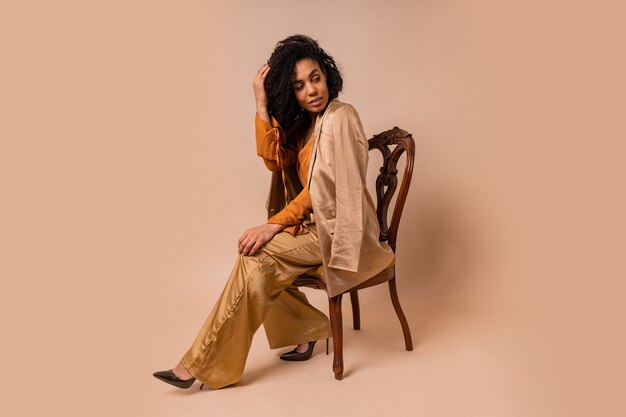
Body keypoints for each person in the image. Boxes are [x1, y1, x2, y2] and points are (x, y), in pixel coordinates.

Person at [153, 34, 395, 390]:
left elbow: (323, 191)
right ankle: (307, 330)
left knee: (258, 255)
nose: (311, 90)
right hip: (313, 231)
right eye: (299, 85)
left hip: (343, 231)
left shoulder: (341, 117)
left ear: (327, 76)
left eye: (315, 78)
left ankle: (197, 364)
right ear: (291, 92)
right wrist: (261, 104)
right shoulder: (307, 125)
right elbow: (274, 162)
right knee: (256, 257)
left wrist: (271, 226)